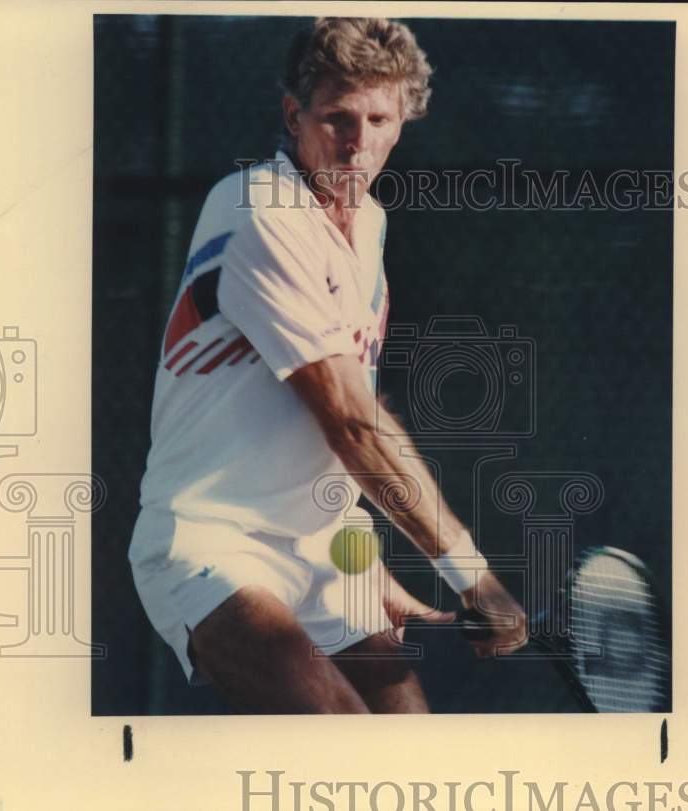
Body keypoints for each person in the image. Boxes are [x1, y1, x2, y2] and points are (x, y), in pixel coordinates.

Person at [128, 16, 528, 714]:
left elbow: (349, 416)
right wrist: (473, 577)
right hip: (211, 541)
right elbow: (349, 422)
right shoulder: (262, 211)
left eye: (379, 118)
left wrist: (360, 554)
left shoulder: (367, 224)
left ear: (402, 120)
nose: (358, 142)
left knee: (409, 743)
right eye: (338, 117)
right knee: (338, 736)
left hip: (320, 549)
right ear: (294, 114)